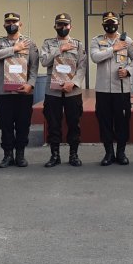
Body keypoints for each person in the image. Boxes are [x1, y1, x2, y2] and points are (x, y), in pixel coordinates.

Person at [90, 11, 133, 166]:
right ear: (103, 24)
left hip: (121, 89)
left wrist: (128, 71)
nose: (110, 25)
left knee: (122, 121)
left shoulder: (127, 41)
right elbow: (95, 57)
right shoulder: (96, 40)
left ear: (118, 24)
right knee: (104, 121)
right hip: (103, 89)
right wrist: (113, 48)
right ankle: (109, 153)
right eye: (107, 23)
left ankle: (121, 152)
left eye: (113, 22)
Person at [0, 12, 39, 168]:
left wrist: (30, 84)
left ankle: (20, 155)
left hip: (24, 91)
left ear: (20, 24)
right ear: (4, 24)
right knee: (5, 125)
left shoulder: (30, 43)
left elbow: (34, 67)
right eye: (8, 22)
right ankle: (7, 155)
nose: (11, 24)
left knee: (23, 125)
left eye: (14, 22)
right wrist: (14, 48)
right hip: (5, 92)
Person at [40, 13, 87, 167]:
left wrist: (73, 83)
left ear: (70, 27)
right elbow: (44, 61)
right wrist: (60, 49)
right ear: (55, 26)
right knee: (53, 124)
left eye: (65, 25)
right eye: (59, 24)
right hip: (52, 91)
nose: (63, 27)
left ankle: (74, 155)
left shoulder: (78, 44)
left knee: (74, 123)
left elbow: (82, 67)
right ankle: (55, 155)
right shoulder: (48, 44)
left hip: (72, 91)